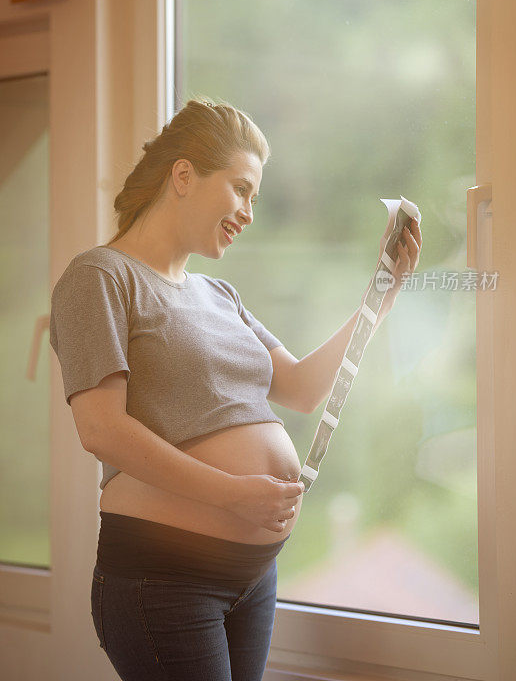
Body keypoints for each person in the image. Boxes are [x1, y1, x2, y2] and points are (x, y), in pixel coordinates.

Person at [49, 96, 422, 680]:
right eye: (241, 189)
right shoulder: (99, 277)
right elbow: (102, 430)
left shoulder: (218, 295)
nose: (249, 211)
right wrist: (232, 494)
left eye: (256, 197)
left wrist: (383, 293)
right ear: (183, 176)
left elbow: (299, 388)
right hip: (162, 579)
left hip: (250, 578)